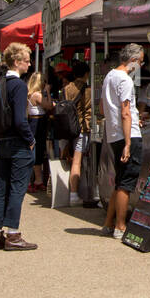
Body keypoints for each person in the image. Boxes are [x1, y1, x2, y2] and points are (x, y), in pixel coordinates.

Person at [0, 43, 36, 251]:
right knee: (17, 188)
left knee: (1, 186)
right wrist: (30, 138)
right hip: (17, 142)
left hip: (2, 140)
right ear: (16, 62)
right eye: (26, 60)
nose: (29, 64)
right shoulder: (18, 85)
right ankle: (13, 234)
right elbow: (19, 119)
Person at [101, 44, 145, 239]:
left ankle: (109, 223)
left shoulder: (109, 77)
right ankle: (120, 225)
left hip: (113, 133)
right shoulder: (125, 80)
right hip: (128, 135)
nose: (141, 65)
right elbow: (125, 112)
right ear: (133, 60)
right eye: (141, 61)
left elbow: (104, 108)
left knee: (120, 182)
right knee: (126, 182)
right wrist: (128, 142)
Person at [62, 61, 92, 207]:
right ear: (86, 74)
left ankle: (75, 193)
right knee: (77, 162)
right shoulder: (88, 90)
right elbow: (89, 111)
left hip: (69, 128)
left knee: (74, 160)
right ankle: (74, 194)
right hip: (82, 129)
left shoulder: (67, 88)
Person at [27, 71, 51, 193]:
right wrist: (47, 92)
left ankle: (37, 180)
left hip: (35, 123)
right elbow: (49, 106)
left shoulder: (30, 94)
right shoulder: (36, 94)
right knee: (37, 151)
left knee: (37, 151)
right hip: (37, 124)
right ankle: (36, 180)